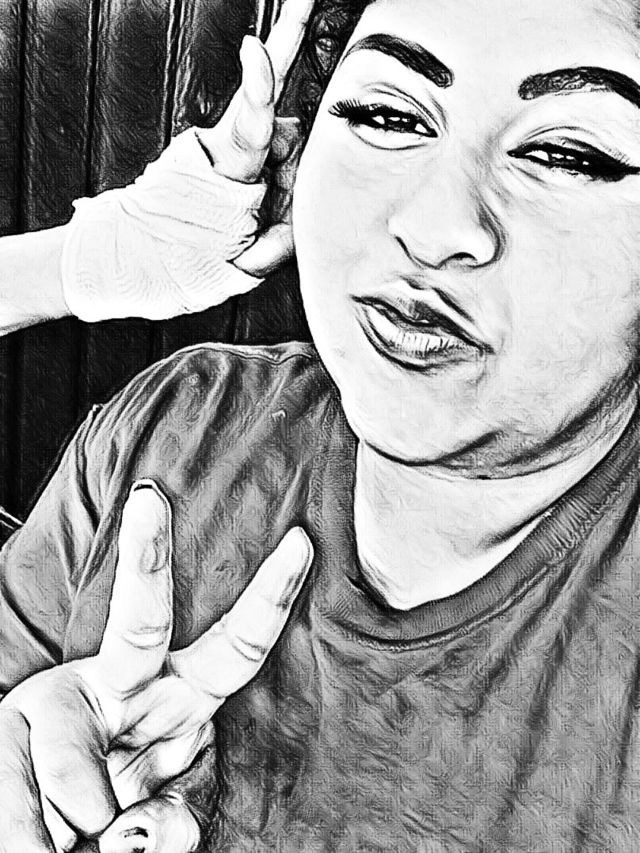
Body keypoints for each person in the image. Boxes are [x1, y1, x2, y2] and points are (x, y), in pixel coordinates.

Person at [3, 0, 640, 849]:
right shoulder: (178, 424)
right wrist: (72, 267)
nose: (435, 227)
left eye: (567, 155)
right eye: (387, 114)